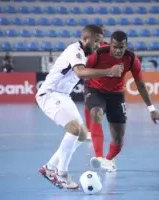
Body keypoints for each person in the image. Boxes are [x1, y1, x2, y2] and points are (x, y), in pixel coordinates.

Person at [36, 25, 124, 189]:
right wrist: (109, 71)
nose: (98, 44)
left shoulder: (89, 52)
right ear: (85, 39)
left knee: (83, 134)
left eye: (100, 41)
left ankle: (49, 167)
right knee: (74, 130)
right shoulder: (74, 50)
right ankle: (61, 174)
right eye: (96, 41)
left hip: (63, 96)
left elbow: (102, 55)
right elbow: (81, 73)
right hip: (49, 94)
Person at [84, 31, 159, 172]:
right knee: (96, 113)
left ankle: (109, 160)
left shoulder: (131, 59)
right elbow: (83, 71)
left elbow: (140, 84)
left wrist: (152, 109)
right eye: (115, 47)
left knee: (118, 139)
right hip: (95, 90)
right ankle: (98, 157)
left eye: (121, 47)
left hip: (116, 95)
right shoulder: (98, 54)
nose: (118, 50)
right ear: (110, 44)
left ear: (126, 46)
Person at [84, 25, 108, 141]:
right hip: (90, 82)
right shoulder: (87, 47)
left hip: (104, 83)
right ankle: (89, 130)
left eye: (102, 33)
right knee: (88, 105)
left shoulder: (108, 47)